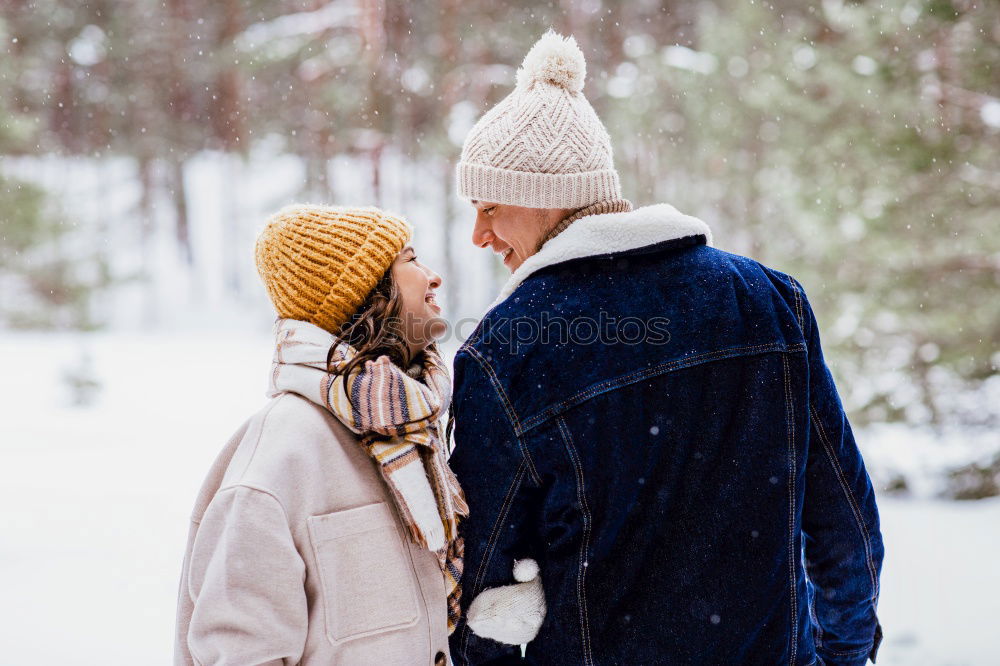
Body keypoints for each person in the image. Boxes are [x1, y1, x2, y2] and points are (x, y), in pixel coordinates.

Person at [447, 31, 884, 665]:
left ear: (546, 198)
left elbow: (482, 586)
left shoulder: (509, 350)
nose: (479, 235)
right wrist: (842, 653)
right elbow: (844, 515)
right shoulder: (767, 299)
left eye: (490, 207)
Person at [174, 204, 462, 665]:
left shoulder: (410, 435)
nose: (432, 276)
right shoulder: (281, 458)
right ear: (366, 293)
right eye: (409, 260)